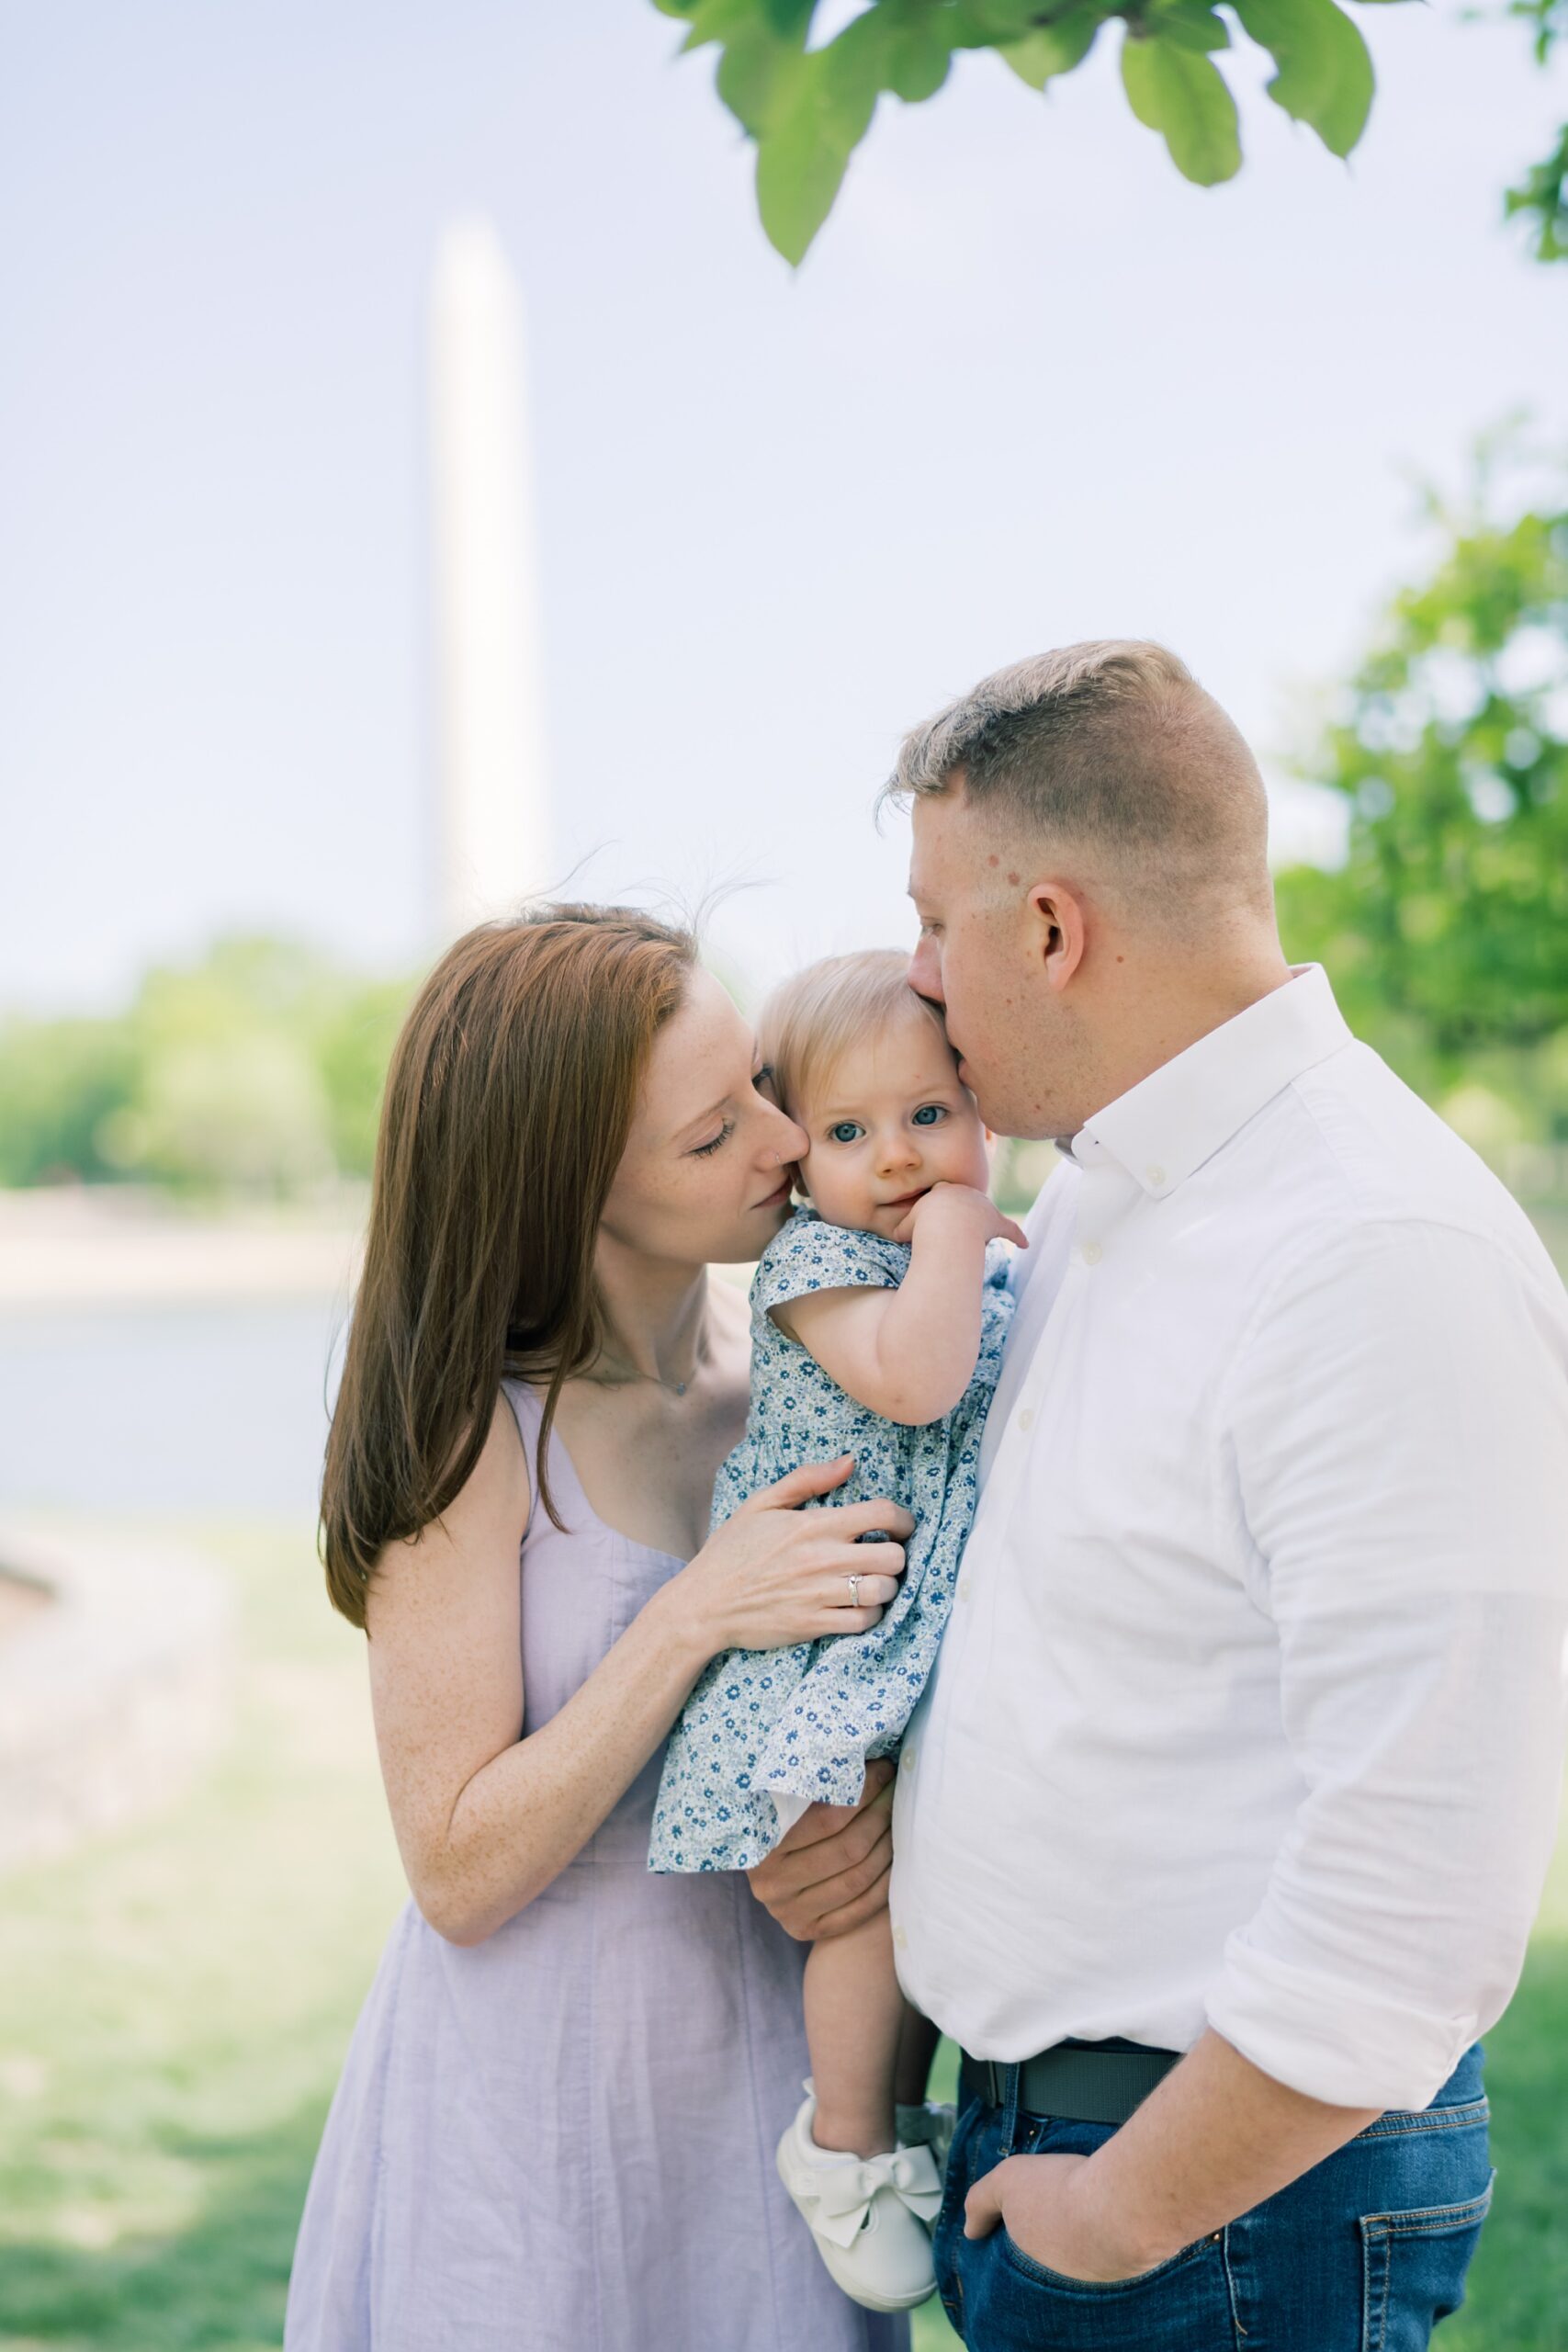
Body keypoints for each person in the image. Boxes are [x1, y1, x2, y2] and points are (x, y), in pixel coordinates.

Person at [755, 639, 1568, 2351]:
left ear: (1049, 930)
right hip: (1056, 2151)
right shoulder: (1110, 1201)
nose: (915, 975)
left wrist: (1117, 2214)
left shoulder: (1371, 1253)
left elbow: (1419, 1892)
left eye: (932, 923)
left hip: (1211, 2211)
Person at [285, 904, 916, 2352]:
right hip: (544, 2110)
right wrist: (692, 1614)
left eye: (759, 1081)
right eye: (711, 1137)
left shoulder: (804, 1373)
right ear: (568, 1194)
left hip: (778, 2076)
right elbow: (454, 1868)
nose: (779, 1140)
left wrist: (870, 1813)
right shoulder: (477, 1437)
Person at [650, 948, 1022, 2312]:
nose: (901, 1158)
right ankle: (848, 2139)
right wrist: (955, 1235)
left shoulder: (956, 1248)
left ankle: (901, 2108)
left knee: (917, 1878)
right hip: (828, 1634)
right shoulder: (820, 1262)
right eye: (851, 1133)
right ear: (799, 1161)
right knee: (859, 1898)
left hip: (899, 1622)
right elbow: (920, 1386)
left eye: (931, 1115)